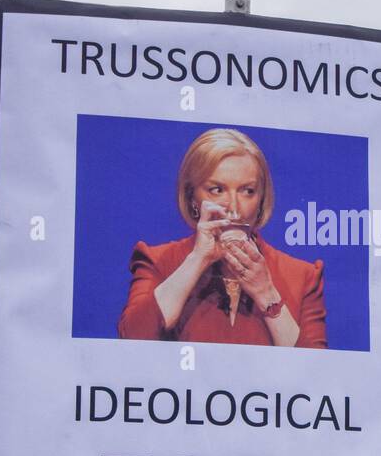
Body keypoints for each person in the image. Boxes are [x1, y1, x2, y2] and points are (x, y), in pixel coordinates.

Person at [116, 128, 327, 348]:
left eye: (247, 191)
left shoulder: (303, 276)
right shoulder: (158, 260)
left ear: (262, 199)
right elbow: (131, 341)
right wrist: (197, 260)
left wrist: (266, 294)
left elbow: (314, 372)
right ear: (192, 198)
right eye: (217, 190)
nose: (234, 208)